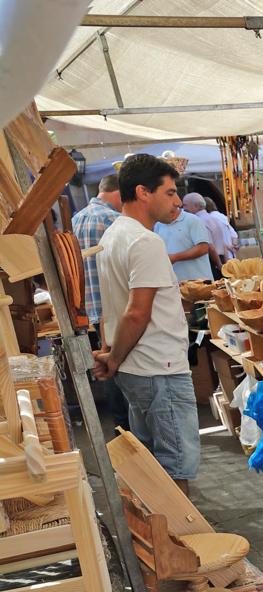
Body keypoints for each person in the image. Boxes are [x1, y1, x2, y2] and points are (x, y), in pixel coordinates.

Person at [92, 153, 200, 493]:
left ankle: (162, 536)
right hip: (159, 368)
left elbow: (118, 306)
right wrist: (115, 358)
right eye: (169, 192)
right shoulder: (145, 240)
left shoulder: (114, 235)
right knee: (174, 466)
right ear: (143, 192)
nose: (177, 201)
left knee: (155, 460)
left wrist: (114, 356)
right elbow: (137, 312)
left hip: (144, 369)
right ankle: (178, 541)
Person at [72, 173, 129, 430]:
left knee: (107, 367)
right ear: (118, 194)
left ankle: (120, 429)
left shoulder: (77, 218)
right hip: (114, 307)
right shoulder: (113, 219)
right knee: (121, 369)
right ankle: (129, 431)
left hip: (90, 307)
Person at [155, 195, 214, 283]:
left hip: (199, 283)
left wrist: (175, 257)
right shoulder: (158, 224)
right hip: (175, 284)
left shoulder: (192, 220)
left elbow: (203, 248)